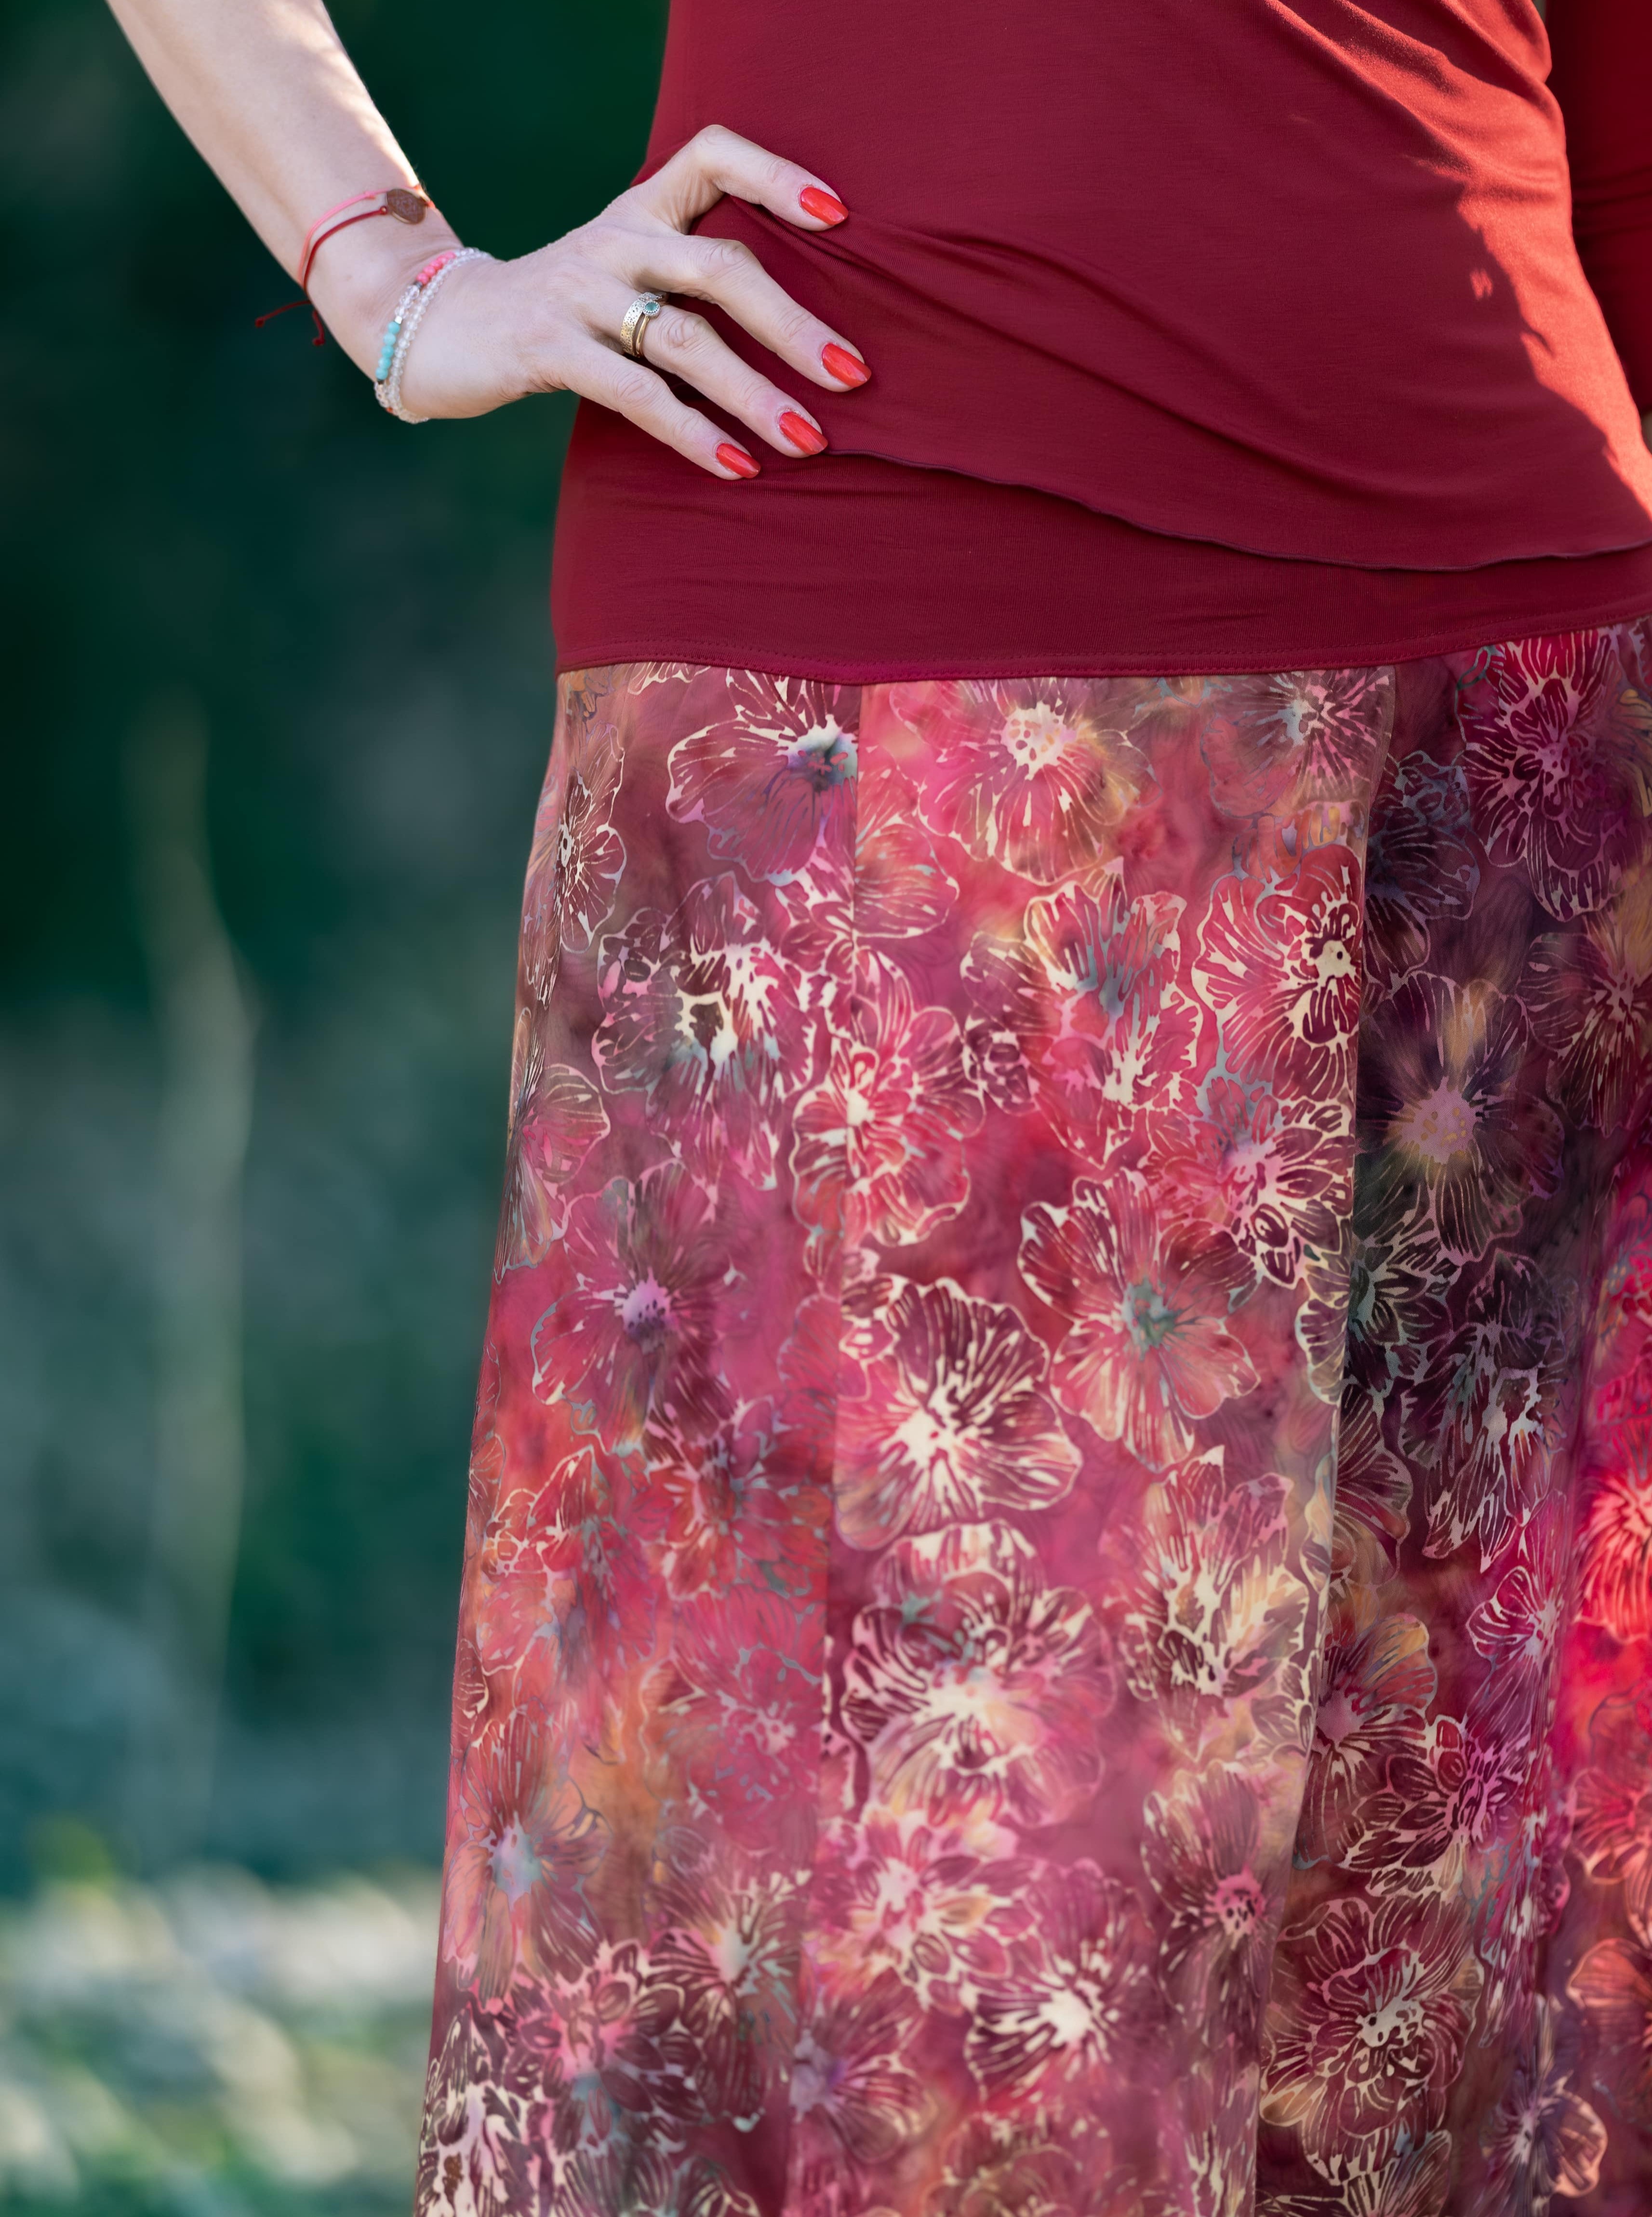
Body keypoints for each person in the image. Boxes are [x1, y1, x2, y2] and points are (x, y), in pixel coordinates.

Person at [108, 0, 1652, 2211]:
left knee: (1449, 1939)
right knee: (896, 1923)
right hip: (847, 687)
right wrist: (395, 280)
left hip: (1508, 726)